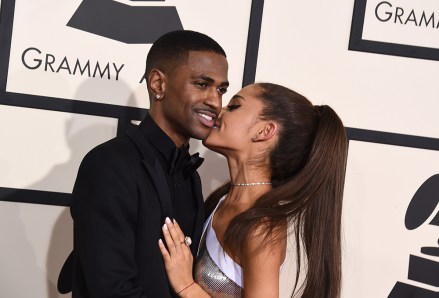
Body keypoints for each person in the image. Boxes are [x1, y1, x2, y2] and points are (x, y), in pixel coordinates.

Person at [58, 30, 229, 297]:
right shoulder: (109, 165)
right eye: (201, 84)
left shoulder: (190, 176)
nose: (215, 101)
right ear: (158, 84)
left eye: (221, 89)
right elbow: (111, 290)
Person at [158, 82, 348, 298]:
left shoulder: (262, 227)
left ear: (265, 131)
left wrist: (187, 287)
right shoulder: (221, 200)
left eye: (234, 106)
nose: (220, 111)